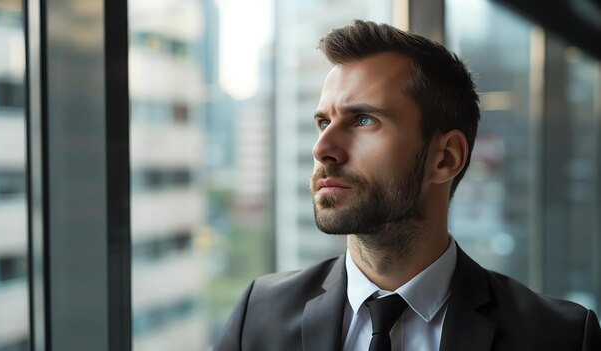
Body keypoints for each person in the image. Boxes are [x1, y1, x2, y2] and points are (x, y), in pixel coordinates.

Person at [215, 20, 601, 351]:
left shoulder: (559, 337)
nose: (323, 148)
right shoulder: (258, 316)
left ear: (445, 157)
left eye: (363, 120)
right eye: (323, 123)